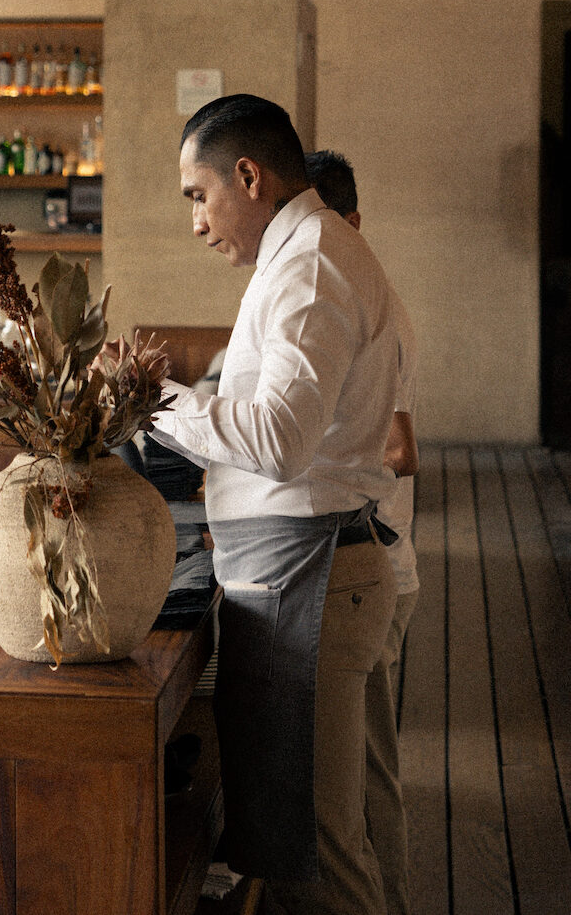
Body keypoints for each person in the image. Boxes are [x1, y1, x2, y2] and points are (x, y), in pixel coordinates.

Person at [148, 94, 399, 915]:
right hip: (298, 576)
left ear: (249, 176)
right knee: (297, 851)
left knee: (317, 857)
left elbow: (281, 440)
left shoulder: (312, 264)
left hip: (312, 579)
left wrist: (153, 398)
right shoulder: (299, 257)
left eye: (199, 194)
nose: (196, 221)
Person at [306, 149, 419, 915]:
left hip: (376, 560)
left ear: (353, 223)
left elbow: (401, 448)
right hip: (373, 558)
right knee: (366, 772)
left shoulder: (375, 309)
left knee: (367, 778)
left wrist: (302, 453)